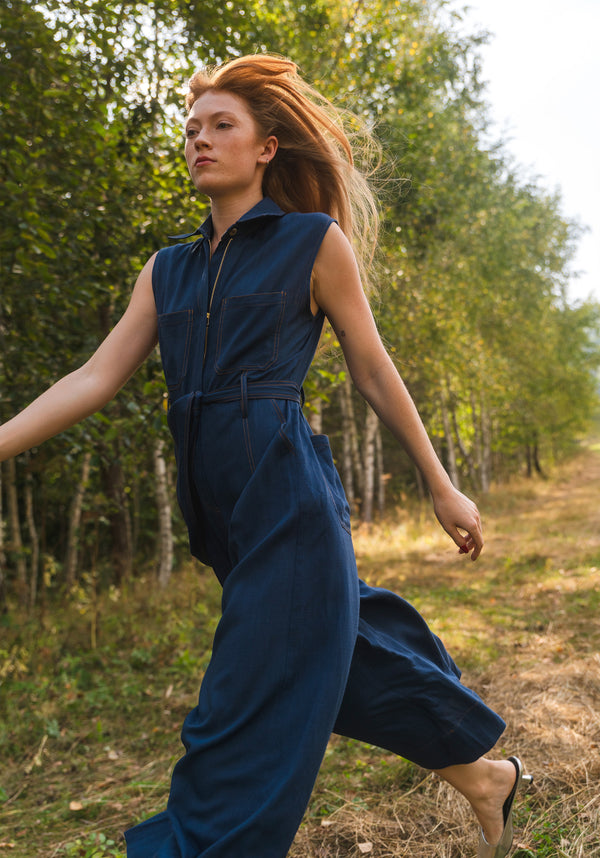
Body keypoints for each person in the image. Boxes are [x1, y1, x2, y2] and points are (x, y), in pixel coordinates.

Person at [0, 54, 531, 858]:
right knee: (336, 658)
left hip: (288, 497)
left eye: (222, 126)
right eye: (191, 130)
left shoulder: (311, 244)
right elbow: (94, 376)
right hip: (220, 511)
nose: (199, 141)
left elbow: (373, 366)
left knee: (240, 698)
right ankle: (486, 777)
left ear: (267, 148)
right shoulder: (167, 269)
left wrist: (441, 484)